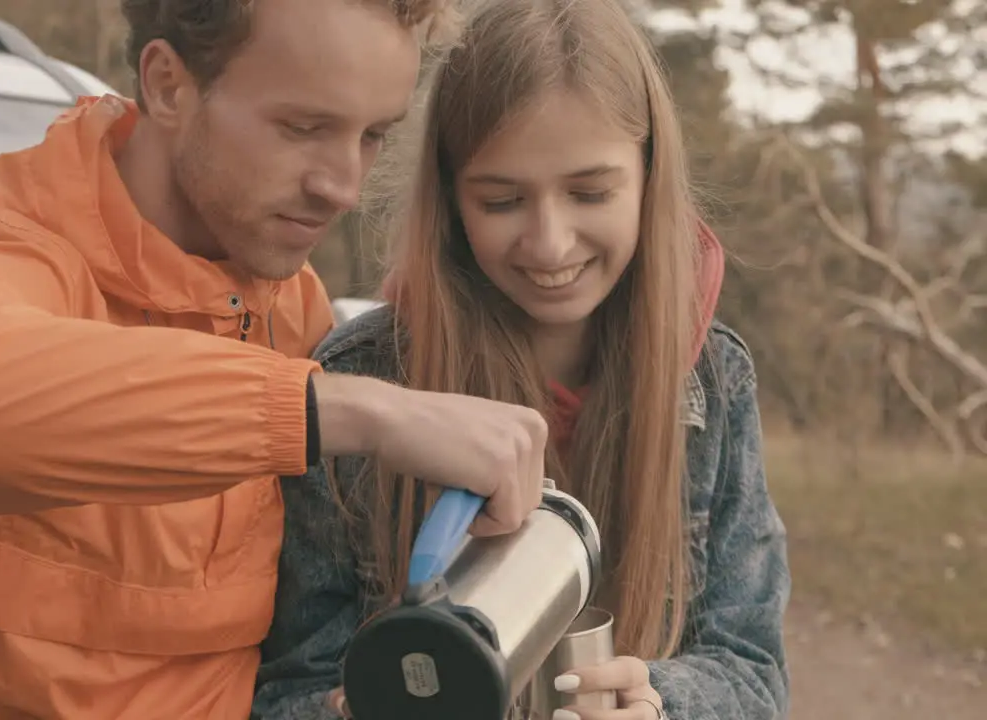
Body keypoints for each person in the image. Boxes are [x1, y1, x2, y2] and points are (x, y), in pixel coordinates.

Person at [0, 1, 555, 718]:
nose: (343, 186)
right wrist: (350, 409)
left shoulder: (291, 300)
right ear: (168, 84)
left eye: (372, 136)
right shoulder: (8, 259)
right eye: (303, 128)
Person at [251, 0, 792, 718]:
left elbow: (752, 671)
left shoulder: (712, 383)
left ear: (649, 176)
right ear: (450, 200)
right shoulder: (363, 386)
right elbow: (287, 688)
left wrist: (662, 701)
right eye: (502, 200)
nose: (549, 243)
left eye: (590, 192)